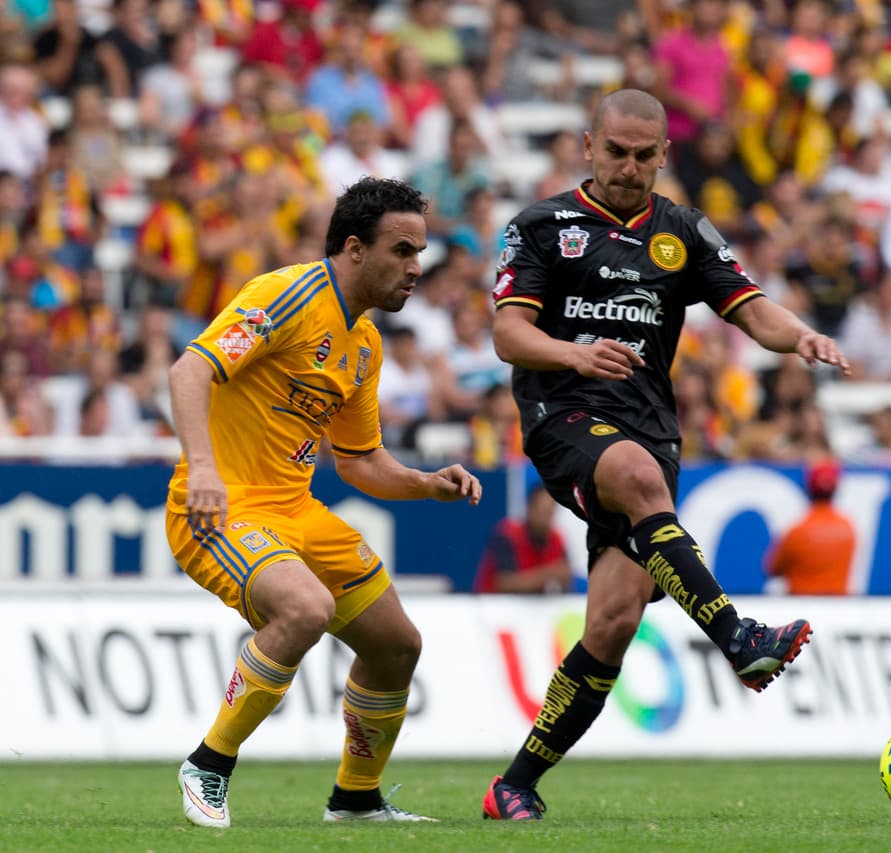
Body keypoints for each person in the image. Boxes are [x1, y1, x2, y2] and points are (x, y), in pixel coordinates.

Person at [482, 89, 848, 820]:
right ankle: (738, 636)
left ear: (663, 155)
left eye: (643, 155)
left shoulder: (681, 230)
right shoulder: (542, 226)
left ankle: (514, 784)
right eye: (616, 151)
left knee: (614, 622)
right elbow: (508, 333)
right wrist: (575, 355)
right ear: (589, 145)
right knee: (635, 475)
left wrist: (800, 335)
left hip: (650, 428)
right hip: (564, 416)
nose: (628, 166)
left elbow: (752, 309)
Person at [167, 177, 482, 828]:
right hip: (223, 508)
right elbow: (189, 370)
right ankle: (208, 763)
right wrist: (203, 469)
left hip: (296, 512)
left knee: (396, 644)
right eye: (402, 250)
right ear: (355, 248)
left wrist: (425, 483)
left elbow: (360, 460)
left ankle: (356, 798)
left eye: (419, 253)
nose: (415, 268)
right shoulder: (285, 296)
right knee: (306, 607)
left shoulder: (364, 343)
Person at [765, 458, 857, 595]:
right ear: (836, 488)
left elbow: (772, 569)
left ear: (808, 488)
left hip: (800, 602)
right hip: (838, 603)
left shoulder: (797, 530)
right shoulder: (848, 527)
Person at [473, 483, 572, 594]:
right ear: (529, 508)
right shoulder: (508, 534)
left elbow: (566, 577)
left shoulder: (556, 539)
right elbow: (503, 584)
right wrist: (548, 574)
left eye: (550, 512)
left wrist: (563, 579)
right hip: (491, 602)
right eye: (542, 510)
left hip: (531, 602)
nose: (545, 518)